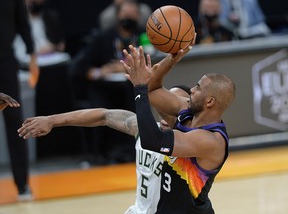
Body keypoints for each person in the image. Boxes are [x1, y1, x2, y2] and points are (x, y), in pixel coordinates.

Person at [18, 85, 190, 214]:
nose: (166, 110)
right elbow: (104, 115)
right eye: (164, 104)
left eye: (173, 107)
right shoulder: (144, 130)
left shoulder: (195, 142)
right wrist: (51, 120)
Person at [121, 44, 236, 213]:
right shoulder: (187, 111)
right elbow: (153, 91)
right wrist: (172, 59)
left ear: (209, 101)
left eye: (197, 88)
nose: (192, 90)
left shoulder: (210, 140)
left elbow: (152, 140)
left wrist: (139, 88)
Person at [69, 0, 145, 164]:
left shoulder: (143, 36)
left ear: (139, 16)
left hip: (131, 86)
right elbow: (79, 69)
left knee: (137, 99)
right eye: (125, 14)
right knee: (101, 100)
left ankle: (135, 150)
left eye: (132, 15)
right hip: (105, 87)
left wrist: (126, 67)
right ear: (117, 16)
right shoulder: (103, 38)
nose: (128, 18)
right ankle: (103, 153)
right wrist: (102, 71)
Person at [0, 0, 39, 201]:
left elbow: (22, 21)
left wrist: (32, 54)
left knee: (15, 120)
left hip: (5, 61)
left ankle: (22, 183)